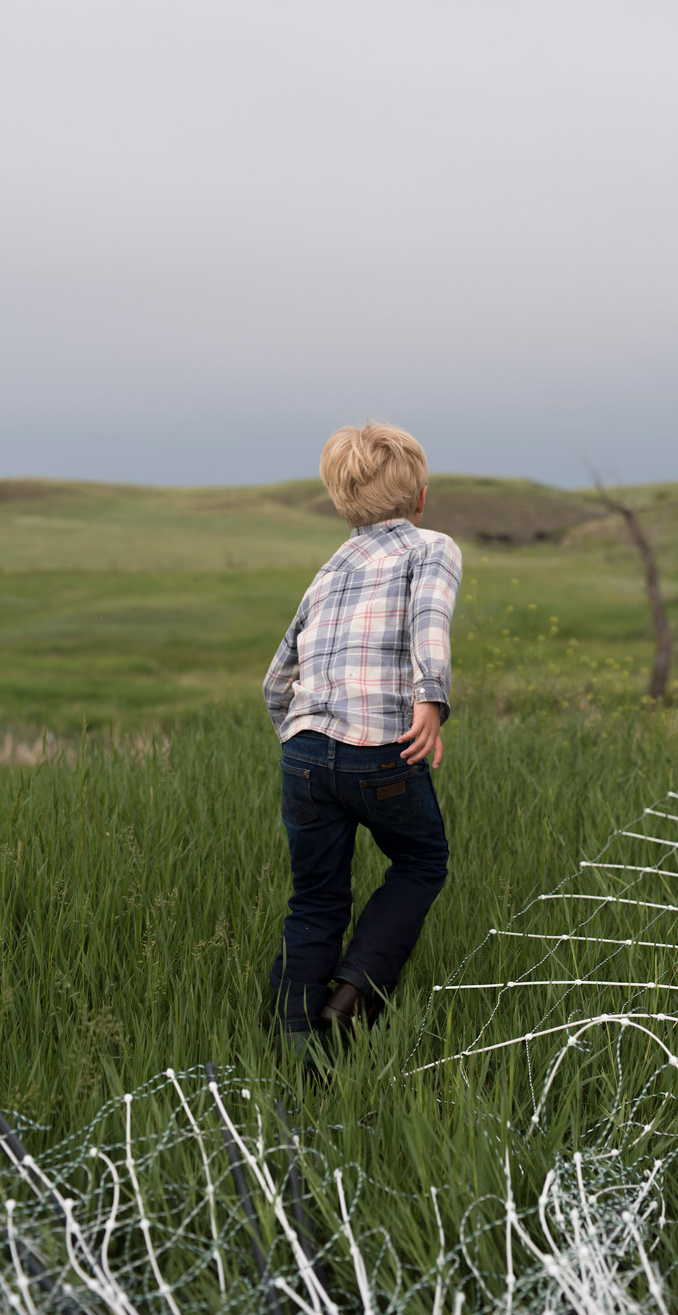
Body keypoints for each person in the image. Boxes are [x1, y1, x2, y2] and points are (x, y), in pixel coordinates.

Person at [262, 422, 462, 1065]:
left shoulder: (331, 566)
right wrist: (430, 698)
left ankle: (291, 1042)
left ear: (339, 501)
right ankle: (351, 1003)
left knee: (316, 896)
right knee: (421, 862)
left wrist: (294, 735)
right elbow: (429, 619)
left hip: (305, 751)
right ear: (421, 497)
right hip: (382, 749)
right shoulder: (431, 547)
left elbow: (278, 673)